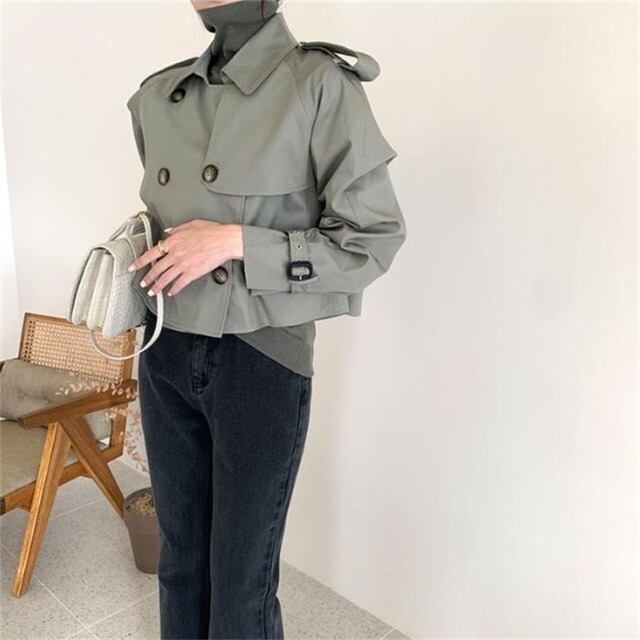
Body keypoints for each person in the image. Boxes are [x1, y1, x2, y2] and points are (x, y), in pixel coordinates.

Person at [125, 1, 407, 638]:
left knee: (241, 582)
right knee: (180, 562)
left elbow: (370, 242)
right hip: (164, 344)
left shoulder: (320, 86)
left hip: (261, 359)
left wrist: (236, 243)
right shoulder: (159, 96)